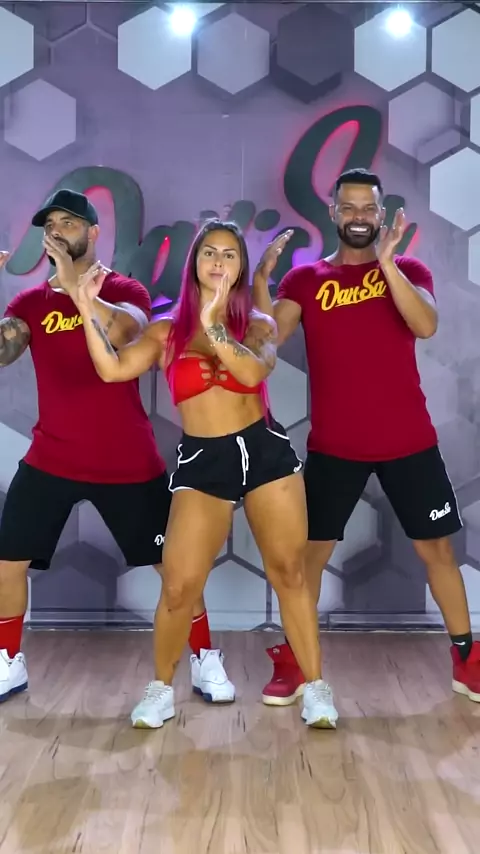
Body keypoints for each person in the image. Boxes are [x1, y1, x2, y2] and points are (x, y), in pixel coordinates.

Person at [76, 218, 339, 730]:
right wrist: (87, 309)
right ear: (194, 263)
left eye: (229, 255)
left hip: (264, 452)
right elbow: (112, 369)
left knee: (290, 573)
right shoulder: (165, 331)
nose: (219, 262)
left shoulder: (258, 324)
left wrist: (215, 323)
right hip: (204, 458)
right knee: (179, 585)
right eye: (210, 253)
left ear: (240, 267)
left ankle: (316, 688)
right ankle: (160, 690)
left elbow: (252, 372)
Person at [252, 167, 480, 709]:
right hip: (335, 446)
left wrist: (387, 264)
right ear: (333, 212)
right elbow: (266, 343)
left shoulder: (408, 269)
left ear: (381, 214)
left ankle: (466, 658)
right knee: (308, 558)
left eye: (368, 207)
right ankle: (298, 660)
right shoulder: (305, 280)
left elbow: (425, 325)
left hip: (409, 441)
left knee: (437, 550)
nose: (359, 216)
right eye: (349, 207)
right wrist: (261, 281)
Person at [0, 190, 230, 706]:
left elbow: (131, 332)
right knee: (6, 561)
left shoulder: (125, 289)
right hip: (52, 457)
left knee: (175, 569)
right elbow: (3, 351)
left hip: (126, 461)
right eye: (50, 225)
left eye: (68, 223)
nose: (57, 232)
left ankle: (203, 656)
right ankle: (8, 661)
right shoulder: (30, 303)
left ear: (93, 233)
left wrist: (78, 292)